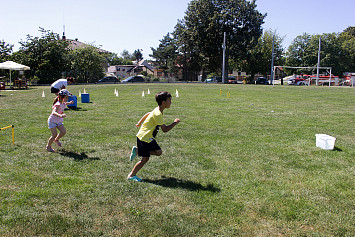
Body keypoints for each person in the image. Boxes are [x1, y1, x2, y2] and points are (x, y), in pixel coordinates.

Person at [127, 91, 180, 182]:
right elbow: (165, 129)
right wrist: (175, 122)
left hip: (147, 136)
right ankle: (131, 175)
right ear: (163, 102)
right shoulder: (158, 113)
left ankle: (137, 150)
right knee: (145, 159)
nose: (171, 102)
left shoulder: (158, 109)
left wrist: (139, 123)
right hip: (145, 138)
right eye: (169, 100)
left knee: (158, 152)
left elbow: (148, 113)